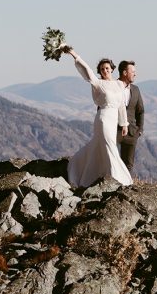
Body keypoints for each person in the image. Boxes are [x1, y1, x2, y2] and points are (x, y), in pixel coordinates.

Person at [62, 46, 133, 188]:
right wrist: (74, 55)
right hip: (103, 118)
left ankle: (79, 166)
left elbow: (121, 105)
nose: (105, 71)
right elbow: (86, 70)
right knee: (109, 146)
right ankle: (116, 177)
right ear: (99, 72)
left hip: (113, 120)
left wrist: (124, 124)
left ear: (112, 69)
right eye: (102, 69)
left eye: (107, 68)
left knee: (99, 146)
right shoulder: (98, 83)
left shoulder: (119, 84)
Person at [116, 60, 144, 171]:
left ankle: (125, 186)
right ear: (124, 73)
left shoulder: (136, 90)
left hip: (132, 133)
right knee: (111, 160)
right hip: (115, 130)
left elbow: (140, 111)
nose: (135, 74)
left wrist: (140, 130)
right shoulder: (113, 87)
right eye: (132, 71)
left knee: (128, 164)